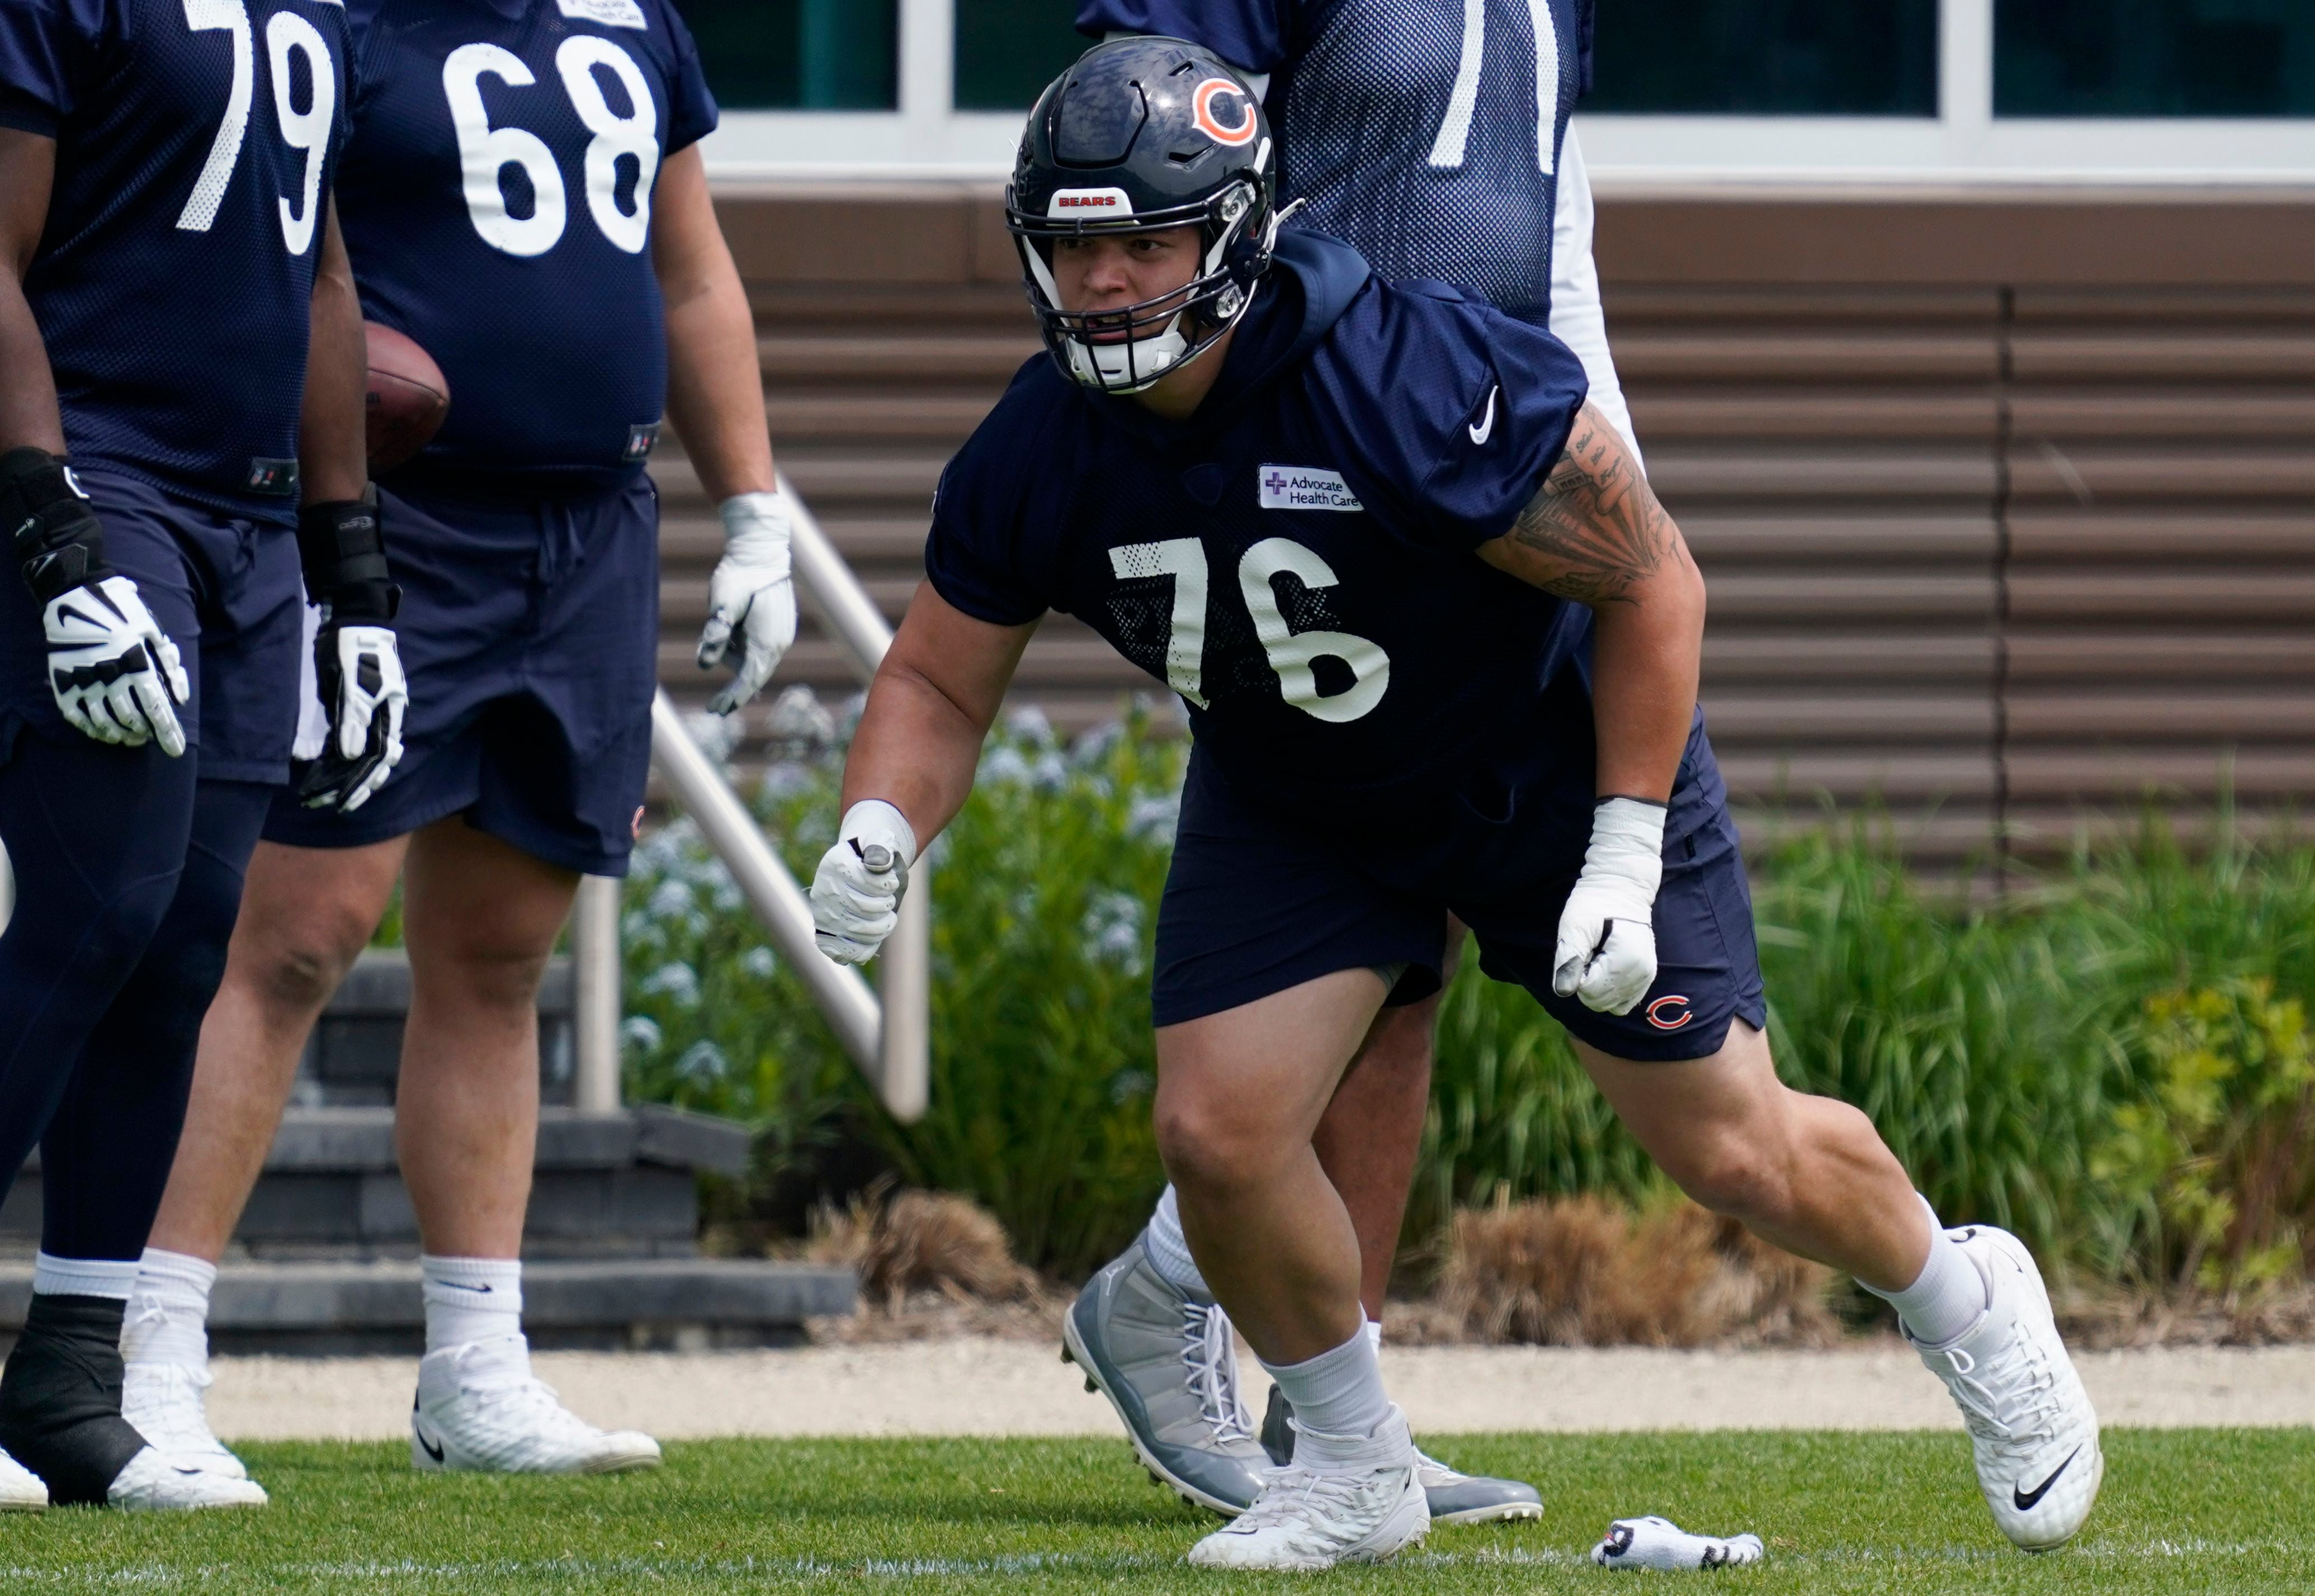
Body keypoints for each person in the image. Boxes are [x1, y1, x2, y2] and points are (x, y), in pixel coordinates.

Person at [809, 38, 2103, 1571]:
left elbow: (1651, 579)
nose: (1101, 282)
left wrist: (1624, 840)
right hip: (1300, 790)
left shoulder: (1404, 370)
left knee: (1733, 1152)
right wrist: (881, 825)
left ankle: (1967, 1301)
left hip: (1539, 764)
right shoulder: (1042, 444)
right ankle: (1351, 1465)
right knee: (1219, 1135)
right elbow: (937, 681)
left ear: (1232, 233)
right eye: (1073, 244)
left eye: (1140, 241)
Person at [110, 0, 792, 1488]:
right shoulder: (340, 27)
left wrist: (752, 510)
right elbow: (266, 252)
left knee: (499, 955)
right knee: (291, 939)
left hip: (588, 527)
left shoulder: (634, 23)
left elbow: (688, 274)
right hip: (394, 523)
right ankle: (145, 1353)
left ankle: (476, 1369)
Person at [1065, 0, 1632, 1524]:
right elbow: (1149, 141)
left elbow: (1545, 212)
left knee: (1411, 954)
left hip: (1477, 451)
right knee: (1324, 903)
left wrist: (1600, 464)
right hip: (1311, 445)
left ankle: (1336, 1419)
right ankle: (1185, 1303)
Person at [0, 0, 382, 1511]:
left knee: (187, 937)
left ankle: (71, 1379)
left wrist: (351, 573)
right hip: (80, 470)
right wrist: (51, 540)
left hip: (241, 515)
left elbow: (315, 272)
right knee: (100, 902)